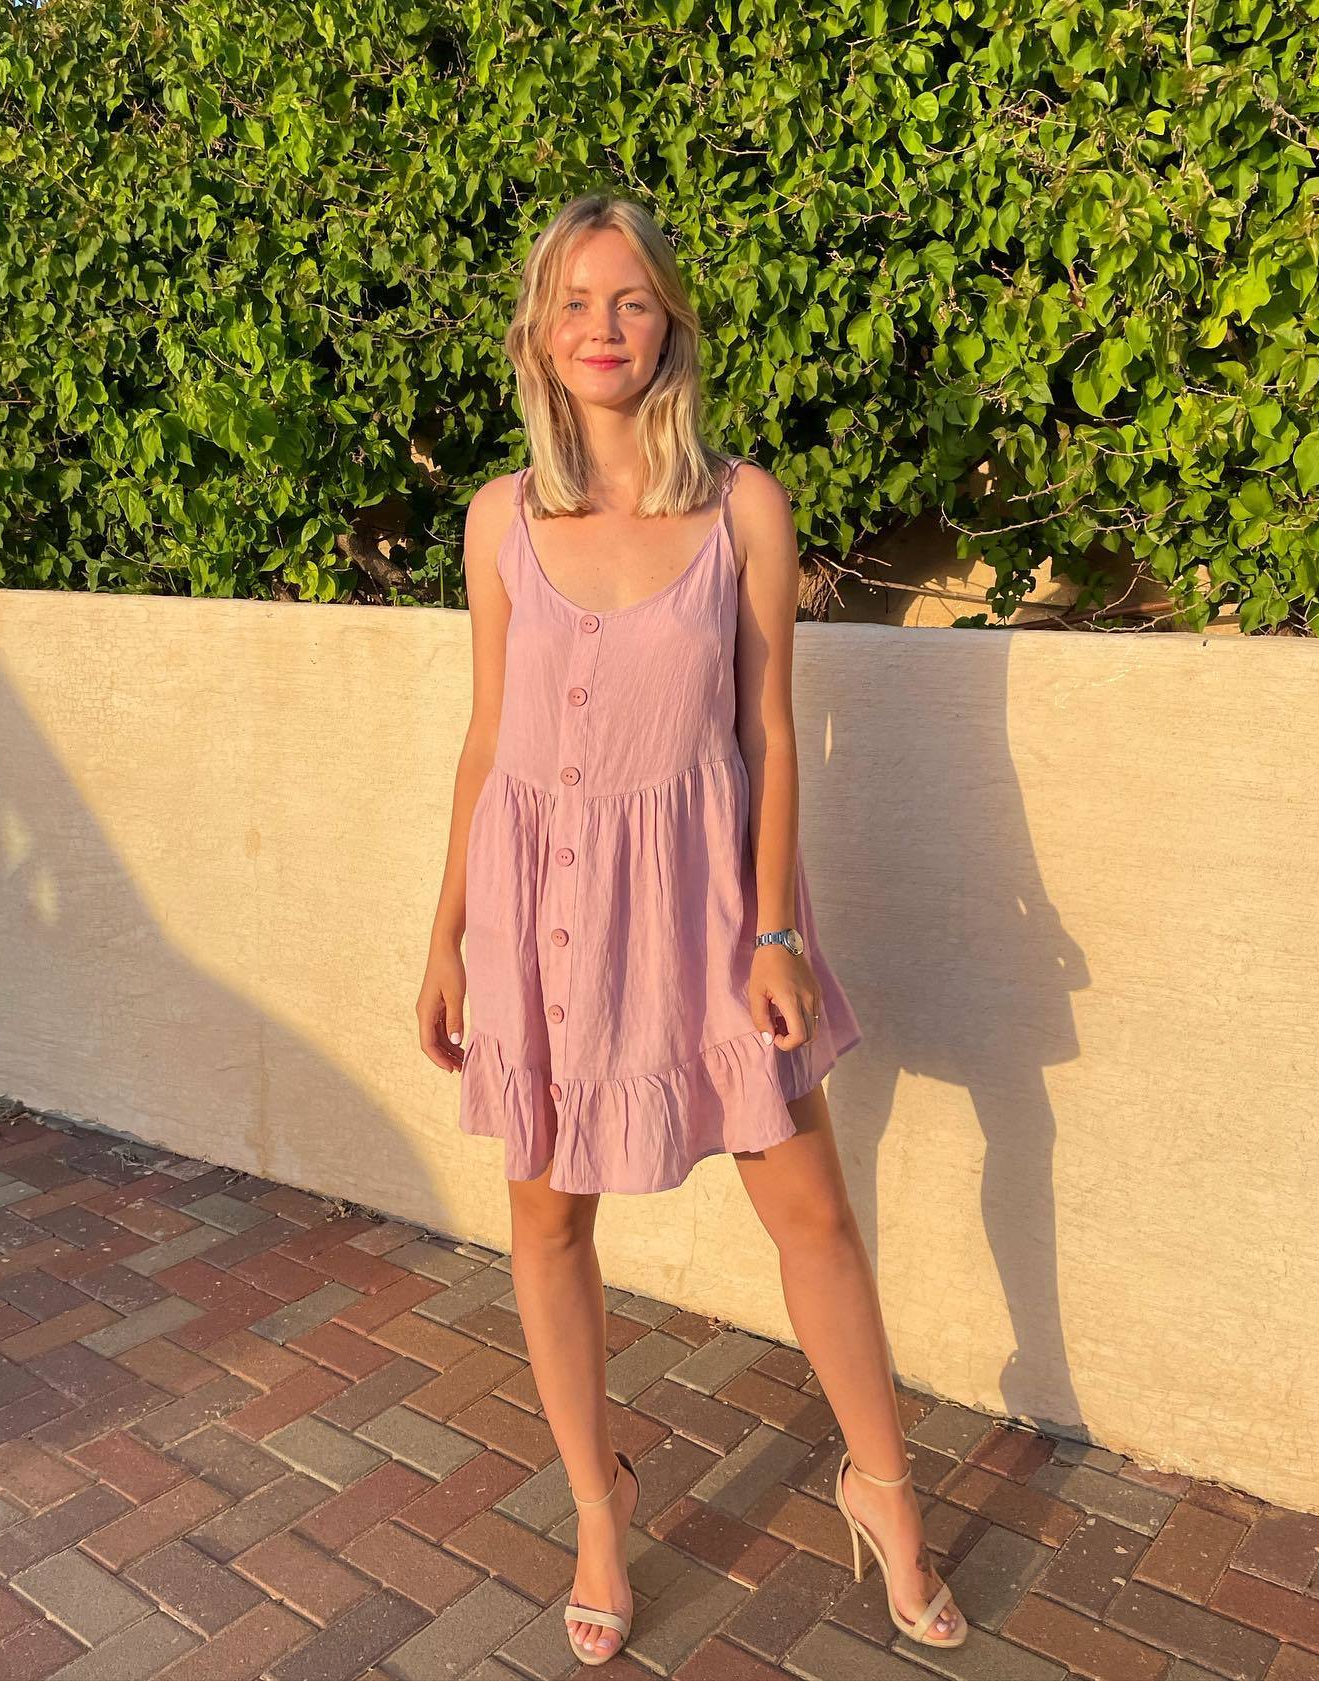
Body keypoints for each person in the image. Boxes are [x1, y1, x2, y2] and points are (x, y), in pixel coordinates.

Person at [416, 190, 967, 1665]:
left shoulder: (743, 509)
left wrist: (775, 934)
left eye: (632, 300)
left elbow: (769, 736)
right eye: (576, 302)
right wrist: (447, 934)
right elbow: (488, 741)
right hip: (538, 920)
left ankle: (885, 1491)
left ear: (671, 325)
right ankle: (598, 1511)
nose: (604, 327)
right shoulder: (498, 520)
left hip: (710, 912)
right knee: (549, 1221)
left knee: (813, 1215)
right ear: (539, 334)